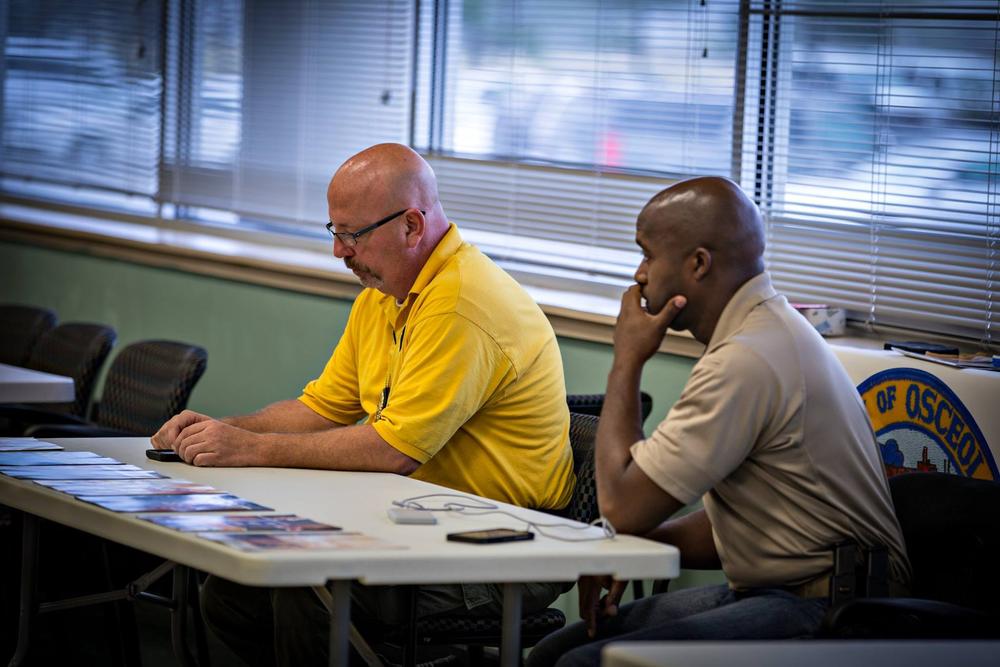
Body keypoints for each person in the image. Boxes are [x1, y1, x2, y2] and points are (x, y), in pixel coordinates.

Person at [151, 143, 575, 666]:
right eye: (335, 232)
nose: (339, 252)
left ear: (412, 226)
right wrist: (219, 430)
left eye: (352, 235)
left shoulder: (461, 305)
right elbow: (323, 409)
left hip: (504, 547)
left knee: (310, 587)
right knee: (233, 595)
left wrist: (248, 447)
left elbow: (395, 450)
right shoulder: (385, 293)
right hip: (416, 519)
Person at [527, 176, 910, 667]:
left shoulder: (747, 359)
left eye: (646, 255)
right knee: (556, 651)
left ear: (698, 264)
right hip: (791, 589)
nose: (639, 274)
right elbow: (750, 528)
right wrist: (629, 545)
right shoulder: (761, 334)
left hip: (831, 607)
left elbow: (621, 506)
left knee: (584, 664)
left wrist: (627, 359)